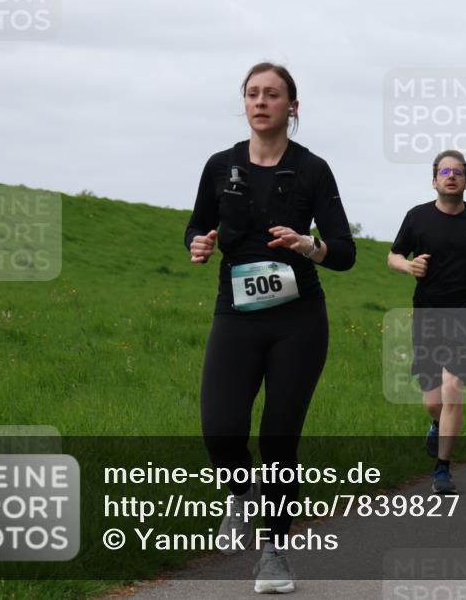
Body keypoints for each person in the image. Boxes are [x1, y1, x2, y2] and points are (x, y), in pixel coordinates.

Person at [185, 62, 356, 594]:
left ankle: (275, 553)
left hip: (298, 320)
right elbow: (197, 223)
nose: (261, 102)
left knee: (278, 441)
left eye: (273, 94)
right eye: (253, 94)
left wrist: (309, 246)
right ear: (245, 104)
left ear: (292, 107)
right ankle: (242, 493)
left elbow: (344, 251)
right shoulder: (220, 166)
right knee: (220, 430)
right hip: (235, 314)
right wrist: (198, 243)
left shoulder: (312, 170)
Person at [388, 150, 466, 495]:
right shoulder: (417, 217)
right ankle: (437, 425)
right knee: (432, 401)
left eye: (457, 172)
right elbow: (393, 255)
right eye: (444, 171)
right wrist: (408, 266)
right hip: (427, 313)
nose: (450, 176)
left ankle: (442, 470)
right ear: (434, 180)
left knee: (453, 387)